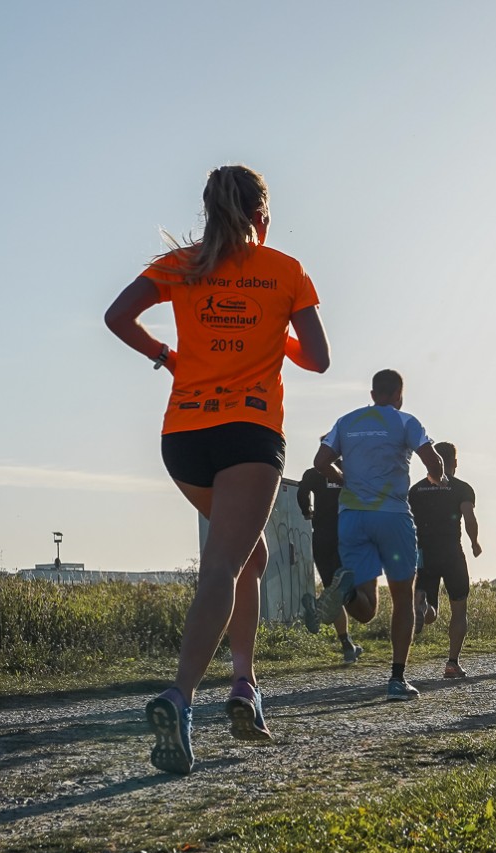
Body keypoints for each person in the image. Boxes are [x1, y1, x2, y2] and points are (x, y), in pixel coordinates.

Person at [105, 164, 331, 775]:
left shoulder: (180, 264)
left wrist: (168, 356)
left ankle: (245, 685)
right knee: (225, 563)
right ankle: (180, 698)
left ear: (208, 212)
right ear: (264, 216)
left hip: (183, 436)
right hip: (249, 432)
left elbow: (116, 316)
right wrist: (272, 331)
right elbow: (318, 359)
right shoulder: (285, 270)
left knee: (249, 558)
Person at [314, 369, 444, 701]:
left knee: (366, 607)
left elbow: (320, 462)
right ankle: (397, 680)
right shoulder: (405, 421)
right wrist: (434, 478)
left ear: (372, 395)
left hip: (353, 518)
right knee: (403, 599)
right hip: (392, 518)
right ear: (400, 396)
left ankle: (344, 593)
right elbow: (434, 460)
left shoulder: (346, 421)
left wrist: (343, 477)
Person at [408, 442, 481, 678]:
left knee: (432, 614)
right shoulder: (461, 488)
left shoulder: (416, 490)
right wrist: (474, 542)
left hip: (423, 553)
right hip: (451, 552)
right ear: (455, 462)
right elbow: (469, 517)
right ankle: (452, 663)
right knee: (459, 608)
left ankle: (424, 606)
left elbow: (406, 520)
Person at [296, 460, 362, 663]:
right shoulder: (351, 472)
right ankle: (319, 608)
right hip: (346, 536)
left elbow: (301, 493)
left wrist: (307, 511)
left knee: (332, 588)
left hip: (321, 537)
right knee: (344, 588)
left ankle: (347, 645)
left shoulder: (312, 473)